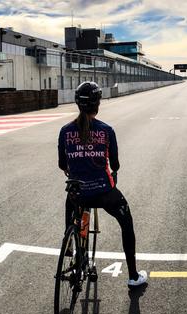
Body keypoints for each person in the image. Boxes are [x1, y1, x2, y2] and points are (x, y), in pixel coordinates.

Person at [58, 81, 147, 288]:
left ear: (77, 104)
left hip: (78, 192)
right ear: (97, 105)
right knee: (127, 221)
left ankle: (70, 243)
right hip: (104, 192)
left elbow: (63, 165)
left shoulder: (65, 131)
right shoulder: (107, 130)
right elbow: (115, 165)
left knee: (71, 199)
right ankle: (133, 276)